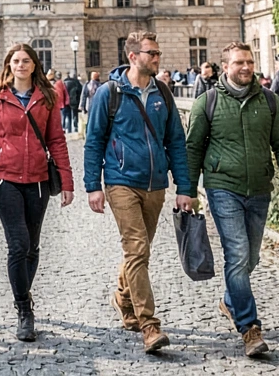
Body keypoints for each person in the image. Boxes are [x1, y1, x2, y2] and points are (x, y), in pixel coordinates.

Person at [186, 42, 279, 358]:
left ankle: (229, 299)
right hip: (223, 187)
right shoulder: (207, 103)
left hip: (260, 189)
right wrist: (188, 190)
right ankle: (249, 328)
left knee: (250, 258)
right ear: (225, 67)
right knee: (237, 254)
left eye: (249, 61)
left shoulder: (270, 102)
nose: (246, 67)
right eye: (239, 62)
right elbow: (193, 148)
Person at [83, 31, 193, 355]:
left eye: (158, 52)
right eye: (152, 53)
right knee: (136, 248)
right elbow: (94, 141)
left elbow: (176, 142)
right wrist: (93, 186)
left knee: (139, 251)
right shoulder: (109, 93)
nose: (158, 58)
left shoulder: (163, 94)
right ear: (133, 56)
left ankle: (122, 297)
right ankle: (149, 325)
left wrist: (184, 187)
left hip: (155, 184)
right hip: (121, 181)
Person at [0, 43, 74, 342]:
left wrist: (66, 182)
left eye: (26, 60)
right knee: (18, 244)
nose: (20, 65)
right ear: (8, 65)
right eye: (15, 60)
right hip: (5, 179)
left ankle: (23, 294)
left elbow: (56, 140)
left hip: (39, 179)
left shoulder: (47, 97)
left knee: (32, 246)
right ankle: (24, 309)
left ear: (34, 65)